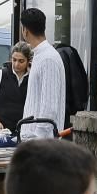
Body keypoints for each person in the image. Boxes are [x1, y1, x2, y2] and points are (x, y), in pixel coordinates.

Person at [17, 8, 65, 139]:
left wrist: (38, 139)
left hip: (42, 143)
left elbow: (49, 107)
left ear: (25, 30)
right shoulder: (40, 55)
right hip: (32, 138)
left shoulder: (48, 58)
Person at [0, 43, 31, 132]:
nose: (16, 64)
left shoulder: (32, 78)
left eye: (21, 61)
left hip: (24, 132)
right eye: (14, 60)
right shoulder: (0, 74)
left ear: (28, 61)